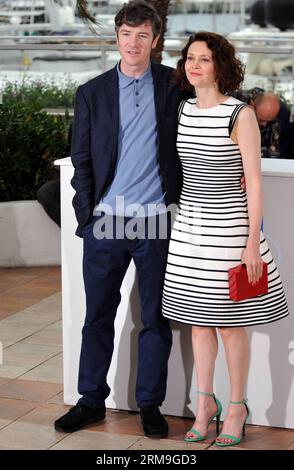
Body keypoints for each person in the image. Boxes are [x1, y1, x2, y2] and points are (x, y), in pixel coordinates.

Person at [54, 1, 185, 438]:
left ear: (155, 39)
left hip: (156, 223)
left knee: (155, 320)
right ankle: (90, 400)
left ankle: (150, 404)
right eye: (127, 35)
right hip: (106, 224)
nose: (134, 43)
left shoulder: (173, 85)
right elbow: (82, 159)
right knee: (97, 317)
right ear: (117, 38)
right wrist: (86, 217)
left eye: (142, 35)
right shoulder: (91, 92)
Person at [162, 31, 289, 447]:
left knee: (231, 327)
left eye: (204, 59)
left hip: (232, 230)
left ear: (221, 66)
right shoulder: (181, 110)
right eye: (189, 58)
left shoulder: (240, 114)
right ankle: (205, 406)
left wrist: (252, 243)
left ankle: (237, 407)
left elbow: (254, 183)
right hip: (190, 229)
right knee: (198, 325)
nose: (194, 65)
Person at [234, 87, 293, 158]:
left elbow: (280, 147)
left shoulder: (283, 113)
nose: (264, 124)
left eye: (269, 120)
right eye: (262, 120)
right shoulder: (236, 105)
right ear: (252, 106)